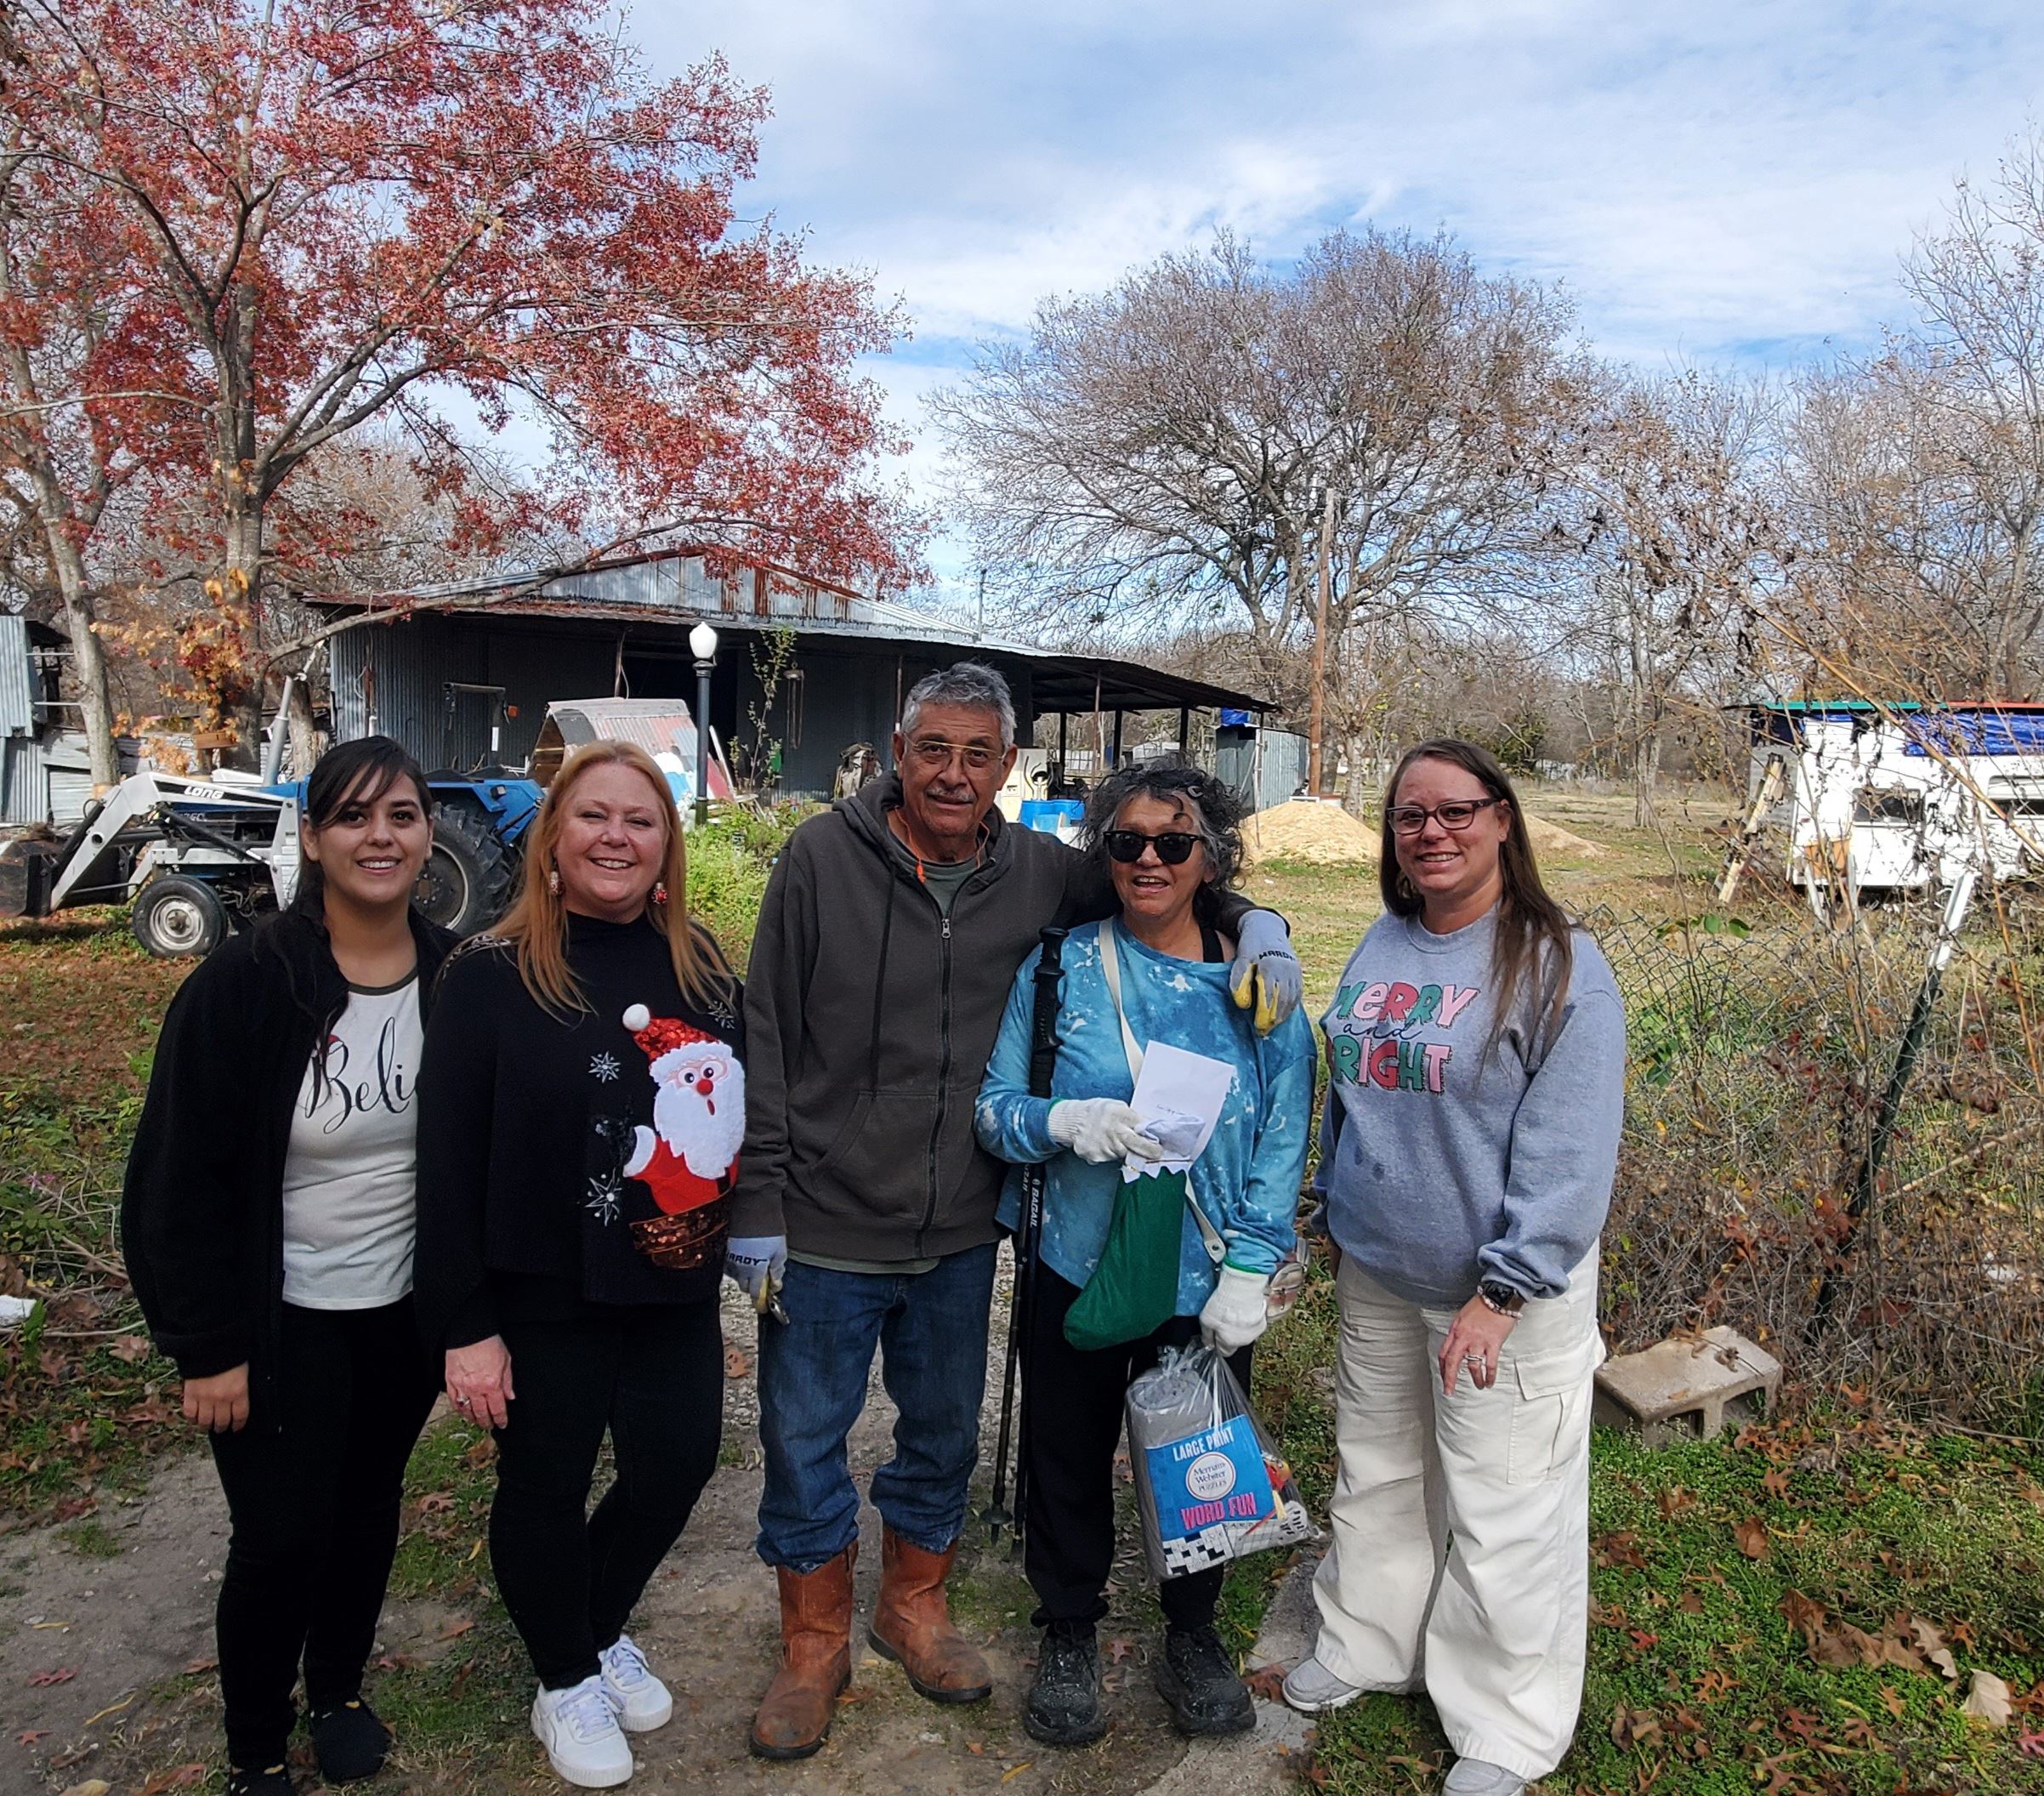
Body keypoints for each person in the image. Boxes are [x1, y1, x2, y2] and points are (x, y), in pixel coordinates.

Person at [731, 662, 1303, 1761]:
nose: (953, 773)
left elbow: (1180, 897)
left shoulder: (1053, 881)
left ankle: (948, 1609)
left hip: (993, 1236)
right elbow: (766, 1029)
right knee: (813, 1438)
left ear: (1006, 765)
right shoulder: (826, 864)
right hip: (858, 1220)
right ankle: (824, 1643)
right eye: (932, 749)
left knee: (972, 1436)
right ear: (897, 752)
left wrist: (1262, 925)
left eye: (977, 753)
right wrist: (758, 1198)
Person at [1281, 740, 1627, 1796]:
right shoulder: (1382, 943)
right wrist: (1331, 1205)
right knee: (1377, 1469)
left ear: (1501, 820)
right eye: (1409, 816)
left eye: (1455, 811)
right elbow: (1351, 1094)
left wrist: (1504, 1289)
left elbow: (1571, 1153)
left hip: (1500, 1298)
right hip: (1379, 1273)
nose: (1430, 832)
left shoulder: (1557, 962)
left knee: (1504, 1503)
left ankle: (1504, 1727)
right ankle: (1369, 1640)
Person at [122, 737, 452, 1796]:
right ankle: (255, 1747)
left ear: (427, 834)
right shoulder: (248, 983)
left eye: (400, 815)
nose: (379, 837)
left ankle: (339, 1691)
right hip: (279, 1318)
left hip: (399, 1313)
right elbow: (178, 1179)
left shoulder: (455, 977)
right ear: (311, 838)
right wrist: (206, 1347)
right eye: (352, 817)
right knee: (279, 1536)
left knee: (365, 1510)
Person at [416, 741, 744, 1790]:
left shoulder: (701, 966)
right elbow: (445, 1161)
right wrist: (466, 1325)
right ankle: (564, 1679)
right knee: (546, 1484)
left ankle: (592, 1631)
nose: (616, 837)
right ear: (554, 837)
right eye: (594, 816)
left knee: (675, 1467)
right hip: (540, 1285)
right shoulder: (487, 974)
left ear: (665, 845)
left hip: (669, 1280)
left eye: (640, 821)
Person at [974, 763, 1314, 1746]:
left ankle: (1193, 1634)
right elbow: (994, 1111)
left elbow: (1284, 1131)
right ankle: (1067, 1627)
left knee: (1202, 1464)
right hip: (1076, 1261)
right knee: (1065, 1454)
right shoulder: (1059, 970)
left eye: (1174, 842)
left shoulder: (1255, 985)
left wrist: (1251, 1265)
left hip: (1204, 1281)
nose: (1149, 860)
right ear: (1105, 854)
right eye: (1127, 842)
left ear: (1212, 856)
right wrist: (1060, 1121)